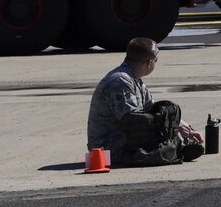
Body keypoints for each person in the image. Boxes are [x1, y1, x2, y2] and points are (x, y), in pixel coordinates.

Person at [85, 37, 203, 165]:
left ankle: (175, 148)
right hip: (107, 149)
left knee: (165, 114)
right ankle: (174, 149)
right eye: (155, 60)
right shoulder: (119, 81)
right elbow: (134, 121)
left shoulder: (133, 79)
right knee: (152, 131)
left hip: (122, 141)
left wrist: (185, 129)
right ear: (148, 62)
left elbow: (153, 107)